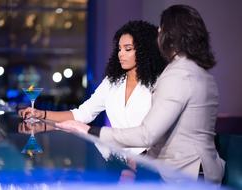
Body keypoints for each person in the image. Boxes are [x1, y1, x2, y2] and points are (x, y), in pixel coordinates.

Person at [56, 5, 225, 184]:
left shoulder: (177, 74)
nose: (158, 35)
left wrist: (90, 130)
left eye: (161, 29)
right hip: (204, 171)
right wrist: (140, 160)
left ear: (169, 35)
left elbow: (147, 135)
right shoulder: (203, 74)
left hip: (185, 174)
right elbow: (177, 133)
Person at [19, 20, 167, 155]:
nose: (121, 54)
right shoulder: (112, 82)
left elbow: (160, 132)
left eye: (127, 49)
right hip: (116, 160)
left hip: (150, 161)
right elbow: (82, 114)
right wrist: (41, 114)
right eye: (119, 49)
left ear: (145, 51)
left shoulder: (160, 82)